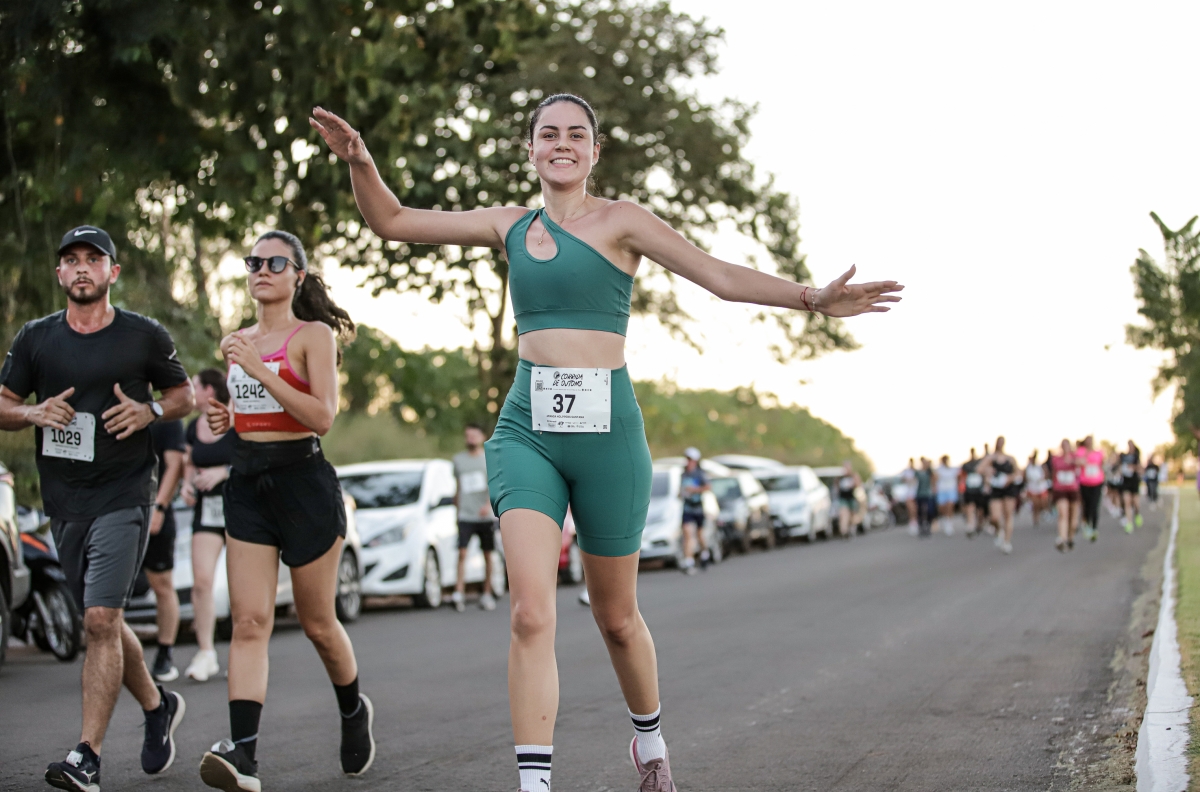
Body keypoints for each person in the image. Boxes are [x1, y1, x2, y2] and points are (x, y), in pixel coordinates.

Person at [312, 94, 902, 792]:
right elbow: (392, 221)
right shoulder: (508, 224)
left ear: (595, 151)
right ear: (530, 149)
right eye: (548, 134)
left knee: (616, 618)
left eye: (576, 134)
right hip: (527, 431)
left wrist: (812, 298)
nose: (561, 144)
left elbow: (718, 277)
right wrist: (361, 162)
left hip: (608, 436)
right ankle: (535, 785)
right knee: (530, 612)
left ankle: (649, 741)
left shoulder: (623, 221)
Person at [0, 225, 193, 791]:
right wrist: (32, 414)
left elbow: (183, 396)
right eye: (71, 259)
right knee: (101, 616)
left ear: (113, 271)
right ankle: (157, 706)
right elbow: (4, 403)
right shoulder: (36, 338)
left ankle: (86, 756)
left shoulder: (143, 336)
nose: (82, 267)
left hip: (124, 493)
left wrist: (150, 411)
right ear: (59, 272)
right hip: (65, 500)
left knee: (100, 621)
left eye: (93, 258)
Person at [198, 231, 374, 790]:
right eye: (254, 261)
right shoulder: (238, 341)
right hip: (248, 483)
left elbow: (321, 417)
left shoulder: (312, 335)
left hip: (304, 483)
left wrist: (260, 370)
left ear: (298, 275)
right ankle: (243, 754)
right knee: (249, 620)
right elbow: (255, 410)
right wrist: (230, 418)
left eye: (276, 262)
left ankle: (353, 711)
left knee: (318, 623)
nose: (262, 270)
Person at [180, 369, 238, 682]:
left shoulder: (236, 420)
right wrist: (186, 485)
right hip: (207, 512)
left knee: (240, 583)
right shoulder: (193, 427)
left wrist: (223, 472)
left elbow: (251, 456)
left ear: (210, 391)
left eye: (195, 386)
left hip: (238, 507)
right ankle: (206, 652)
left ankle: (244, 650)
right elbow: (189, 463)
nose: (191, 392)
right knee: (201, 581)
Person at [144, 418, 187, 682]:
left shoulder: (167, 418)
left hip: (155, 512)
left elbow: (175, 465)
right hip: (119, 510)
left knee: (162, 585)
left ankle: (165, 652)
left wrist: (159, 506)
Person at [452, 422, 499, 611]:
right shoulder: (458, 460)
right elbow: (458, 487)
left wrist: (488, 505)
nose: (470, 439)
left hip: (484, 516)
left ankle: (487, 593)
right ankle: (458, 592)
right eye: (468, 436)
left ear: (481, 437)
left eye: (474, 436)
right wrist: (456, 510)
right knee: (462, 553)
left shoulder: (489, 458)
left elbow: (495, 484)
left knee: (487, 554)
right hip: (465, 514)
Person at [978, 437, 1018, 554]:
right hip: (996, 489)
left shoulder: (1010, 459)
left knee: (1008, 515)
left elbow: (1018, 472)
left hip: (1008, 489)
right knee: (995, 517)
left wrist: (1010, 478)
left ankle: (1007, 542)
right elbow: (979, 469)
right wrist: (987, 470)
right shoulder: (991, 458)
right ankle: (999, 530)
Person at [679, 447, 712, 574]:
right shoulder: (683, 474)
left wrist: (694, 490)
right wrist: (681, 494)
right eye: (687, 459)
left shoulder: (700, 473)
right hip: (687, 508)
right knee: (688, 534)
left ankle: (705, 553)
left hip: (698, 508)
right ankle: (689, 561)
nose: (688, 462)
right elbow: (681, 489)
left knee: (700, 535)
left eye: (690, 459)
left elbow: (708, 487)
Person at [1050, 439, 1082, 551]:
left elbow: (1083, 462)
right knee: (1063, 514)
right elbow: (1054, 473)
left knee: (1073, 519)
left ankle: (1070, 538)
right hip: (1060, 489)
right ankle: (1062, 539)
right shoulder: (1056, 459)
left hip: (1073, 490)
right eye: (1063, 446)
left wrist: (1072, 461)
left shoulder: (1074, 457)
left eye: (1066, 445)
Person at [1077, 436, 1106, 542]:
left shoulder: (1099, 453)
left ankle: (1094, 528)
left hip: (1097, 482)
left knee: (1095, 505)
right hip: (1085, 483)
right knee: (1087, 505)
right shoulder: (1081, 451)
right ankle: (1087, 524)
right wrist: (1086, 454)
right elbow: (1079, 462)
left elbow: (1101, 465)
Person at [1119, 440, 1143, 533]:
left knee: (1136, 503)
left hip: (1134, 482)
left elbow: (1140, 468)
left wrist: (1133, 467)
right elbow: (1120, 466)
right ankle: (1129, 523)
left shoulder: (1136, 456)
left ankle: (1137, 514)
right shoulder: (1123, 456)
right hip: (1126, 482)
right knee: (1127, 502)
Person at [962, 447, 986, 537]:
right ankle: (970, 526)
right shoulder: (966, 465)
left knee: (980, 509)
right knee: (970, 507)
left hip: (979, 489)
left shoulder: (980, 463)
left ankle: (979, 524)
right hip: (970, 489)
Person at [1024, 449, 1051, 527]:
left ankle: (1044, 513)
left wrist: (1041, 479)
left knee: (1042, 502)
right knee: (1035, 504)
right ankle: (1035, 519)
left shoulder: (1041, 466)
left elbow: (1046, 474)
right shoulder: (1028, 468)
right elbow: (1025, 477)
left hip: (1041, 487)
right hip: (1033, 488)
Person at [836, 459, 862, 539]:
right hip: (843, 498)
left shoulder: (853, 475)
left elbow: (858, 484)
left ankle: (851, 529)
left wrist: (853, 484)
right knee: (844, 514)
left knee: (852, 515)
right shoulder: (840, 477)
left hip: (851, 497)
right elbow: (836, 487)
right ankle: (844, 531)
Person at [934, 455, 959, 536]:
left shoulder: (953, 469)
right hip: (941, 490)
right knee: (942, 507)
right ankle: (945, 518)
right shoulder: (938, 470)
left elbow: (958, 477)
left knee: (950, 505)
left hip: (951, 490)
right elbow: (935, 479)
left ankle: (949, 522)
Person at [914, 458, 935, 538]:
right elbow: (914, 482)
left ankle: (928, 527)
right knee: (920, 512)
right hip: (920, 494)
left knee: (929, 511)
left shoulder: (930, 472)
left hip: (928, 494)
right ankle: (921, 527)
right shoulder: (918, 473)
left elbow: (934, 481)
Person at [901, 458, 918, 532]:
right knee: (911, 508)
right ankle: (912, 522)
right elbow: (902, 479)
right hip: (909, 493)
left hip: (917, 493)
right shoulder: (906, 471)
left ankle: (915, 522)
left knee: (916, 509)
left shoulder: (917, 471)